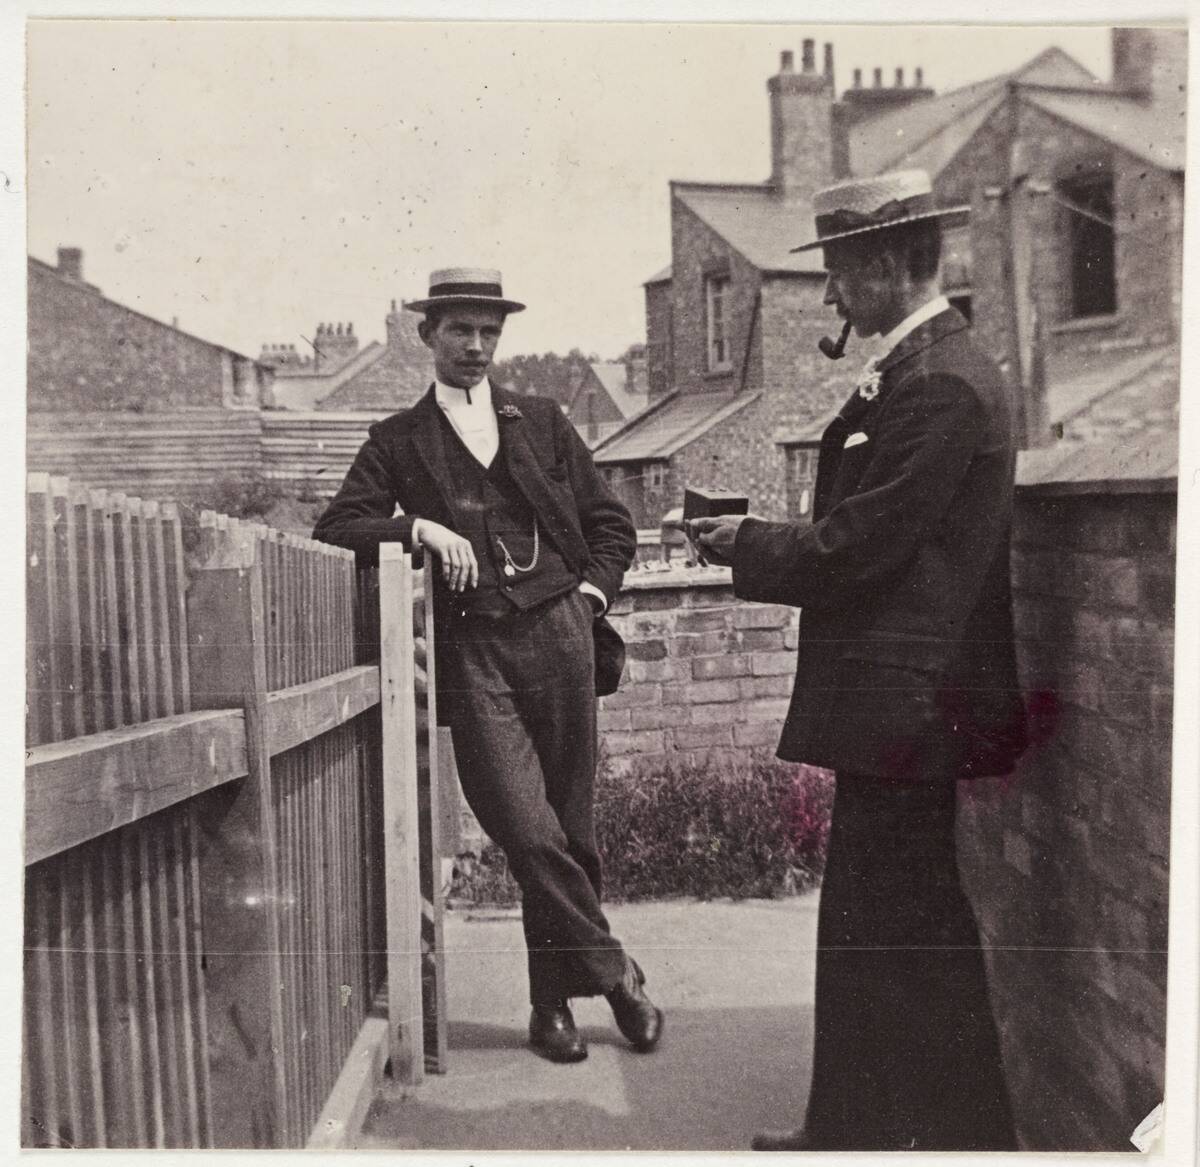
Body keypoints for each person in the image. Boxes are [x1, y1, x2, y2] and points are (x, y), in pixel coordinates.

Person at [690, 170, 1028, 1152]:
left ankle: (947, 1138)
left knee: (903, 932)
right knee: (881, 930)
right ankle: (865, 1130)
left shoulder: (943, 383)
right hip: (898, 707)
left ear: (882, 265)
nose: (831, 298)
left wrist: (742, 542)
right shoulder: (919, 370)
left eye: (838, 275)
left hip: (914, 708)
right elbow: (866, 532)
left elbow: (856, 549)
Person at [314, 267, 663, 1063]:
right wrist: (416, 529)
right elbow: (338, 525)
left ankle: (553, 1009)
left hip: (563, 637)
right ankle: (618, 977)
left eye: (488, 332)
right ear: (427, 335)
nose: (476, 346)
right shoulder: (396, 442)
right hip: (474, 651)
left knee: (571, 829)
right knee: (525, 826)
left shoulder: (540, 421)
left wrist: (590, 599)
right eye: (460, 330)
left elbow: (613, 525)